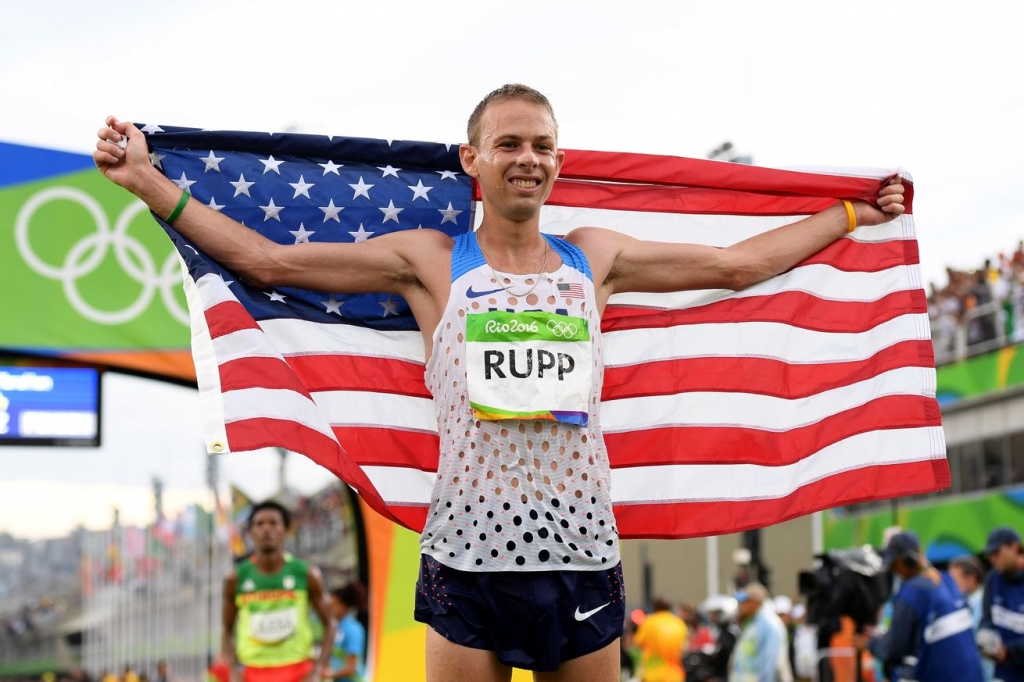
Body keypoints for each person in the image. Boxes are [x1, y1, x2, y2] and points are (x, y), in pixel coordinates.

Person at [94, 84, 905, 682]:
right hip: (464, 559)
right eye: (510, 143)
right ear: (471, 159)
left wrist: (848, 215)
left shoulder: (598, 257)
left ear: (559, 161)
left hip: (580, 554)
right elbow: (265, 262)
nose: (528, 158)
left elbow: (737, 267)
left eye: (543, 145)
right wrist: (148, 183)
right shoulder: (429, 260)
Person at [220, 500, 336, 682]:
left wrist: (317, 669)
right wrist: (233, 670)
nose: (266, 529)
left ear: (286, 530)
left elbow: (330, 623)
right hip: (253, 673)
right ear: (251, 533)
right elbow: (226, 630)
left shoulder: (306, 574)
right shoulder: (235, 579)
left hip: (299, 672)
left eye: (273, 523)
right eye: (259, 524)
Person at [861, 531, 983, 682]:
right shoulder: (948, 581)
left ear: (906, 560)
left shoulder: (911, 592)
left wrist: (870, 642)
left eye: (894, 564)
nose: (893, 571)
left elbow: (893, 649)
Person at [979, 526, 1024, 682]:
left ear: (1014, 547)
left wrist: (1010, 652)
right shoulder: (994, 578)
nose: (992, 559)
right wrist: (985, 633)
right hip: (1004, 673)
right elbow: (987, 617)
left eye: (996, 553)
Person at [729, 583, 792, 682]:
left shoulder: (769, 625)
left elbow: (770, 663)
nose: (741, 606)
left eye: (745, 601)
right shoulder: (752, 623)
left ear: (755, 603)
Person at [948, 554, 994, 682]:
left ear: (971, 577)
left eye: (955, 580)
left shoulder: (982, 602)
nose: (952, 586)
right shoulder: (966, 602)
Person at [633, 597, 687, 682]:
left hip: (653, 674)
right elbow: (683, 648)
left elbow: (638, 643)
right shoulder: (679, 623)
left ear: (654, 608)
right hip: (674, 675)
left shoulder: (648, 622)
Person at [324, 582, 367, 682]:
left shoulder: (353, 629)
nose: (329, 608)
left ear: (343, 606)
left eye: (332, 605)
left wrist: (328, 675)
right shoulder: (333, 627)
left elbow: (351, 667)